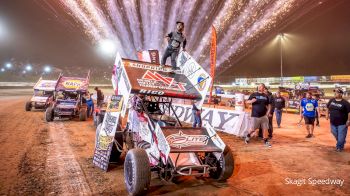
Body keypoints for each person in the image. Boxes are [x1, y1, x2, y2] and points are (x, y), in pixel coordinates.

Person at [245, 83, 272, 147]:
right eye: (259, 86)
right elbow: (246, 102)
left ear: (264, 88)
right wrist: (251, 101)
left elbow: (268, 105)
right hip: (255, 115)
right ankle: (248, 135)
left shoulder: (266, 96)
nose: (260, 87)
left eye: (261, 86)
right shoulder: (254, 94)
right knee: (253, 129)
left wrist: (268, 113)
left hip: (264, 116)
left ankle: (266, 141)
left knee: (265, 129)